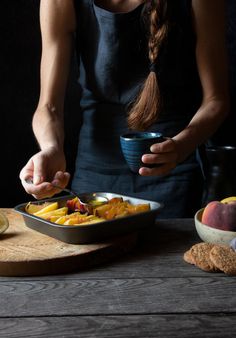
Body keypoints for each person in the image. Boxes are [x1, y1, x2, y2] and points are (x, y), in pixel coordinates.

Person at [19, 0, 230, 218]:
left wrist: (181, 145)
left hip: (175, 174)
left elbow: (216, 100)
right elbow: (48, 107)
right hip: (94, 179)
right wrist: (51, 148)